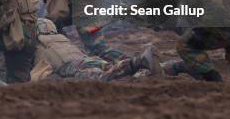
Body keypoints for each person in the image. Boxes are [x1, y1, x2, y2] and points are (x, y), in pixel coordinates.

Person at [31, 18, 162, 81]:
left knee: (100, 78)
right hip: (86, 59)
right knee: (111, 67)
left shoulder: (38, 44)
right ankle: (173, 66)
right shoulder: (61, 38)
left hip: (71, 66)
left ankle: (139, 61)